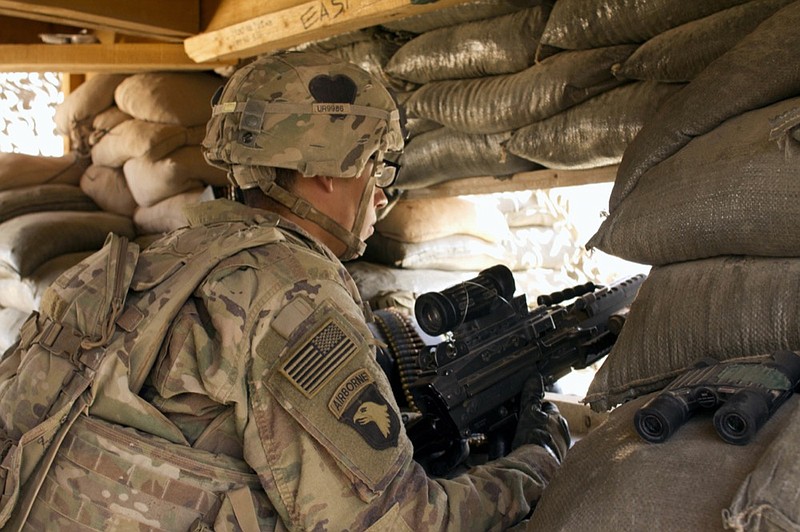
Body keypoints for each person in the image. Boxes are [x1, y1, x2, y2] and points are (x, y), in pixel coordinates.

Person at [12, 51, 568, 530]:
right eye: (377, 167)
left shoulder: (145, 264)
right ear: (328, 170)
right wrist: (534, 465)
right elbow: (400, 523)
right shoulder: (293, 297)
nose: (379, 195)